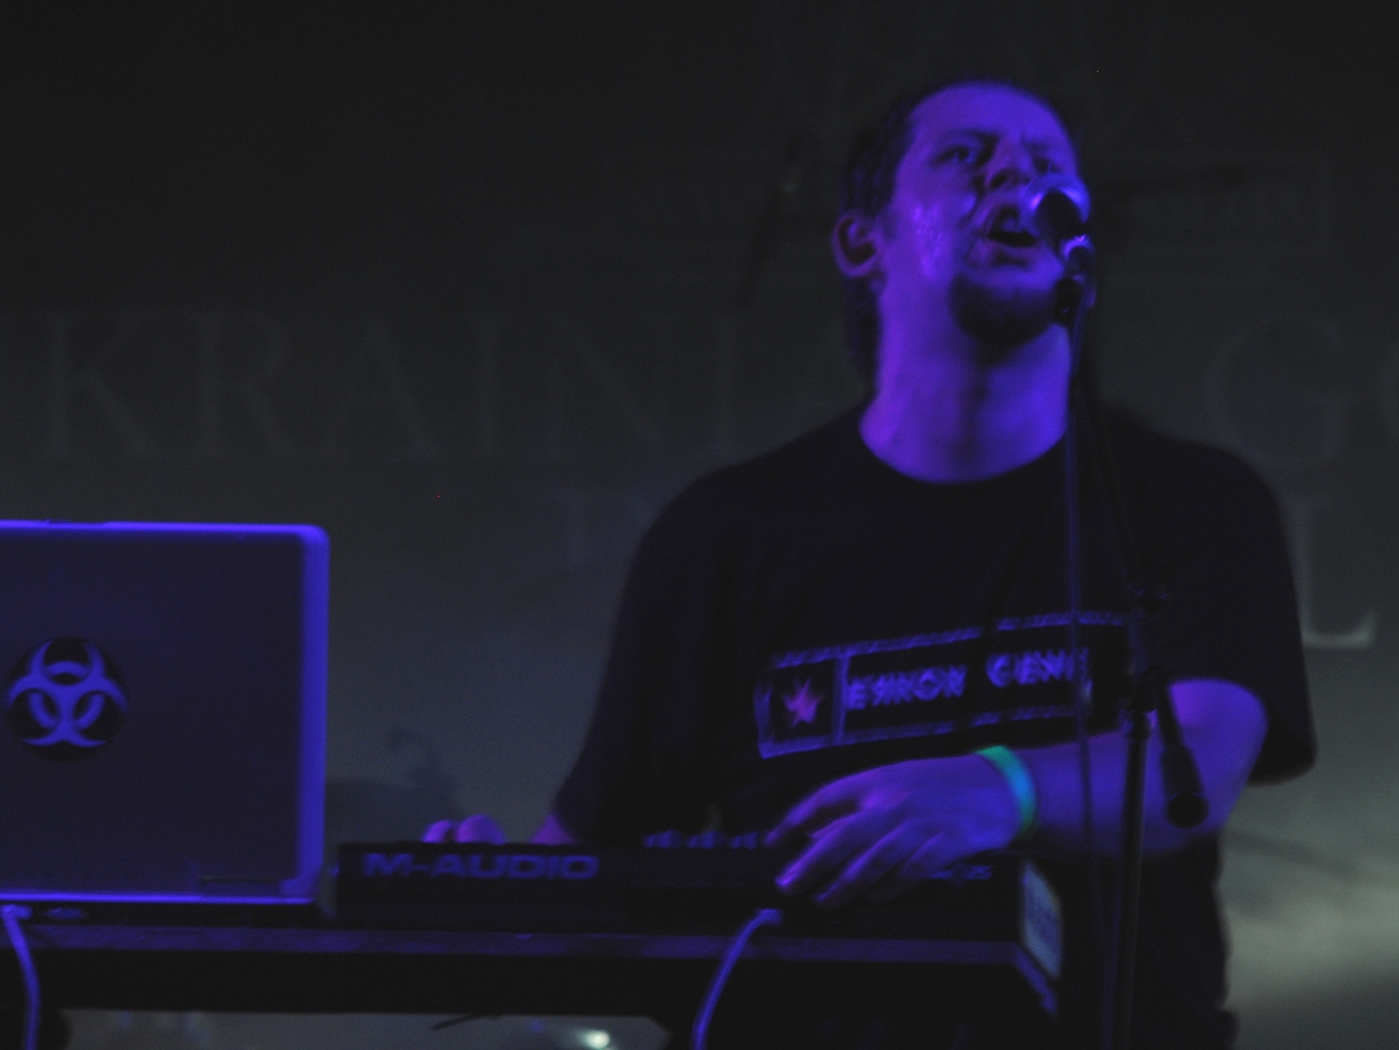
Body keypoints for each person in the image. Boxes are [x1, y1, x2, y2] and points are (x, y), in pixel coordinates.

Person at [428, 78, 1314, 1048]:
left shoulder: (1187, 501)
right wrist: (491, 899)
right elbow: (593, 863)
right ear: (862, 243)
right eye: (966, 155)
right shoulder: (724, 535)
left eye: (1046, 165)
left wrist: (996, 790)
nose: (1016, 175)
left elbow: (1194, 771)